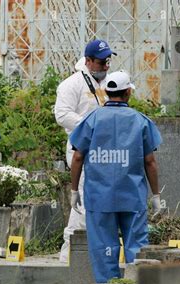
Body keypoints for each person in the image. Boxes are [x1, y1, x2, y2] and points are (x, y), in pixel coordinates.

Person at [69, 71, 162, 283]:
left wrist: (74, 190)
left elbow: (77, 157)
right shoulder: (140, 121)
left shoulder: (91, 119)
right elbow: (150, 162)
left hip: (99, 199)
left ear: (107, 92)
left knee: (103, 249)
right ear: (128, 92)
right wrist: (156, 195)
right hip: (132, 197)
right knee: (136, 248)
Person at [54, 39, 116, 262]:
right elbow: (61, 114)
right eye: (101, 62)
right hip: (82, 151)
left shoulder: (108, 82)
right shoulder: (72, 85)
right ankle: (70, 253)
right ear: (88, 61)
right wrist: (89, 125)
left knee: (101, 200)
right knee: (83, 200)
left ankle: (91, 252)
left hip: (106, 153)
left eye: (108, 61)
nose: (106, 66)